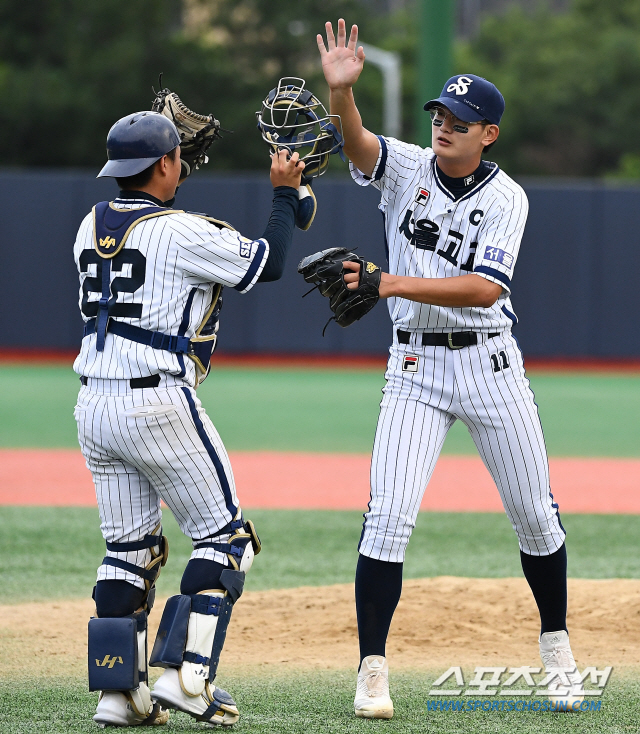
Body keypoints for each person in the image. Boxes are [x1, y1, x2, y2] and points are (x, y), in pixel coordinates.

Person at [316, 19, 584, 718]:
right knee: (387, 518)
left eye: (460, 121)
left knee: (536, 516)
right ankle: (372, 669)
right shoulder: (408, 168)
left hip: (490, 365)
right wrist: (342, 95)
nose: (445, 126)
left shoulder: (507, 198)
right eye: (440, 114)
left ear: (488, 133)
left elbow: (486, 290)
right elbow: (359, 144)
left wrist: (388, 282)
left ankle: (556, 648)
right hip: (414, 367)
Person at [73, 110, 304, 727]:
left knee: (129, 551)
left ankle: (119, 694)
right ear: (164, 164)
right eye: (176, 156)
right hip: (156, 401)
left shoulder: (89, 224)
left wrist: (170, 163)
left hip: (93, 406)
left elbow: (155, 227)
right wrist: (286, 194)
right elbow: (266, 263)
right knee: (226, 539)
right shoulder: (179, 230)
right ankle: (186, 676)